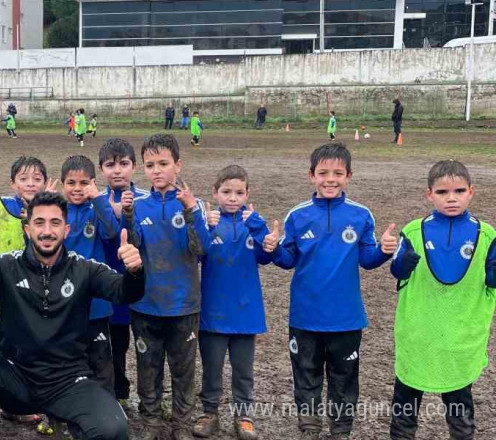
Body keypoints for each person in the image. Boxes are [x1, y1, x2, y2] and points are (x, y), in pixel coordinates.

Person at [0, 191, 147, 440]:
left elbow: (125, 292)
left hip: (68, 381)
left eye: (55, 223)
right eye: (39, 223)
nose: (47, 231)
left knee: (113, 429)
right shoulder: (5, 266)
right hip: (16, 377)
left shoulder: (85, 269)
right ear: (27, 229)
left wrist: (135, 271)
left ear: (66, 230)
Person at [262, 142, 396, 439]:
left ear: (349, 176)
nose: (330, 179)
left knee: (344, 377)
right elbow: (288, 260)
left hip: (346, 318)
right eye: (323, 173)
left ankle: (341, 428)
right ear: (311, 175)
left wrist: (385, 251)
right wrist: (272, 249)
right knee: (305, 372)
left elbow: (368, 259)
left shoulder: (361, 215)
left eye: (338, 173)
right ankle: (309, 425)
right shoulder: (297, 215)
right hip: (305, 316)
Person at [389, 160, 496, 440]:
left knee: (460, 407)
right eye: (442, 192)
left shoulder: (487, 235)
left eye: (459, 191)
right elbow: (398, 275)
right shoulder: (412, 231)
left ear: (471, 192)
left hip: (459, 341)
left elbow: (492, 282)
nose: (451, 198)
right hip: (418, 337)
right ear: (429, 194)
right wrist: (402, 263)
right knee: (404, 407)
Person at [122, 134, 212, 440]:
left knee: (183, 369)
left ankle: (181, 424)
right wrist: (129, 216)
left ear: (178, 164)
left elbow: (201, 248)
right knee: (148, 367)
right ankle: (152, 421)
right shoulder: (138, 204)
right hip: (146, 304)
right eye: (150, 165)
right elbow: (132, 246)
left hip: (184, 305)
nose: (157, 170)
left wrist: (190, 212)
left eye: (163, 163)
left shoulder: (193, 204)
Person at [0, 156, 54, 428]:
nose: (30, 184)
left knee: (18, 361)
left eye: (37, 179)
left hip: (26, 305)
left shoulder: (47, 214)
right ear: (12, 182)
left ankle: (13, 407)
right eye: (23, 178)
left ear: (45, 183)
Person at [193, 165, 271, 440]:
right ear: (215, 193)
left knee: (243, 370)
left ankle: (244, 415)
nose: (233, 198)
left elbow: (267, 256)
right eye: (226, 192)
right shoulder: (209, 223)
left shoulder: (255, 224)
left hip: (246, 312)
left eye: (239, 192)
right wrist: (203, 226)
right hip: (213, 311)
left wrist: (261, 228)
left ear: (248, 194)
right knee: (211, 367)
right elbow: (196, 253)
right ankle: (209, 412)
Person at [60, 155, 121, 396]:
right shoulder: (57, 211)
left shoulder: (97, 209)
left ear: (93, 183)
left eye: (84, 183)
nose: (77, 188)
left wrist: (98, 199)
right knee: (64, 358)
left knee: (100, 359)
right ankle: (63, 412)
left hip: (95, 301)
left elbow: (111, 232)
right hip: (62, 300)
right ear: (63, 184)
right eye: (71, 183)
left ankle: (107, 407)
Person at [98, 138, 149, 408]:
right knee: (115, 345)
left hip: (140, 290)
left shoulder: (145, 199)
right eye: (110, 165)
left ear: (134, 167)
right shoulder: (95, 200)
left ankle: (149, 399)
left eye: (124, 164)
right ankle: (119, 392)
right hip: (108, 291)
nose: (117, 170)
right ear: (101, 169)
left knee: (147, 348)